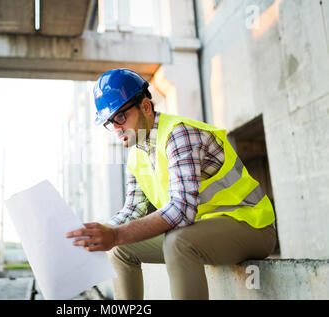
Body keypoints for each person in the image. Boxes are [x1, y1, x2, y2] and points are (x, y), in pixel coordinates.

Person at [66, 68, 277, 300]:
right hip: (202, 231)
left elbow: (181, 211)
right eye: (109, 122)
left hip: (251, 226)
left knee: (178, 242)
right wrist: (97, 237)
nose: (116, 128)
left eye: (120, 117)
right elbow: (132, 211)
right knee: (119, 249)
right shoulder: (136, 155)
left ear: (145, 107)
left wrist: (115, 234)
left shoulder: (179, 134)